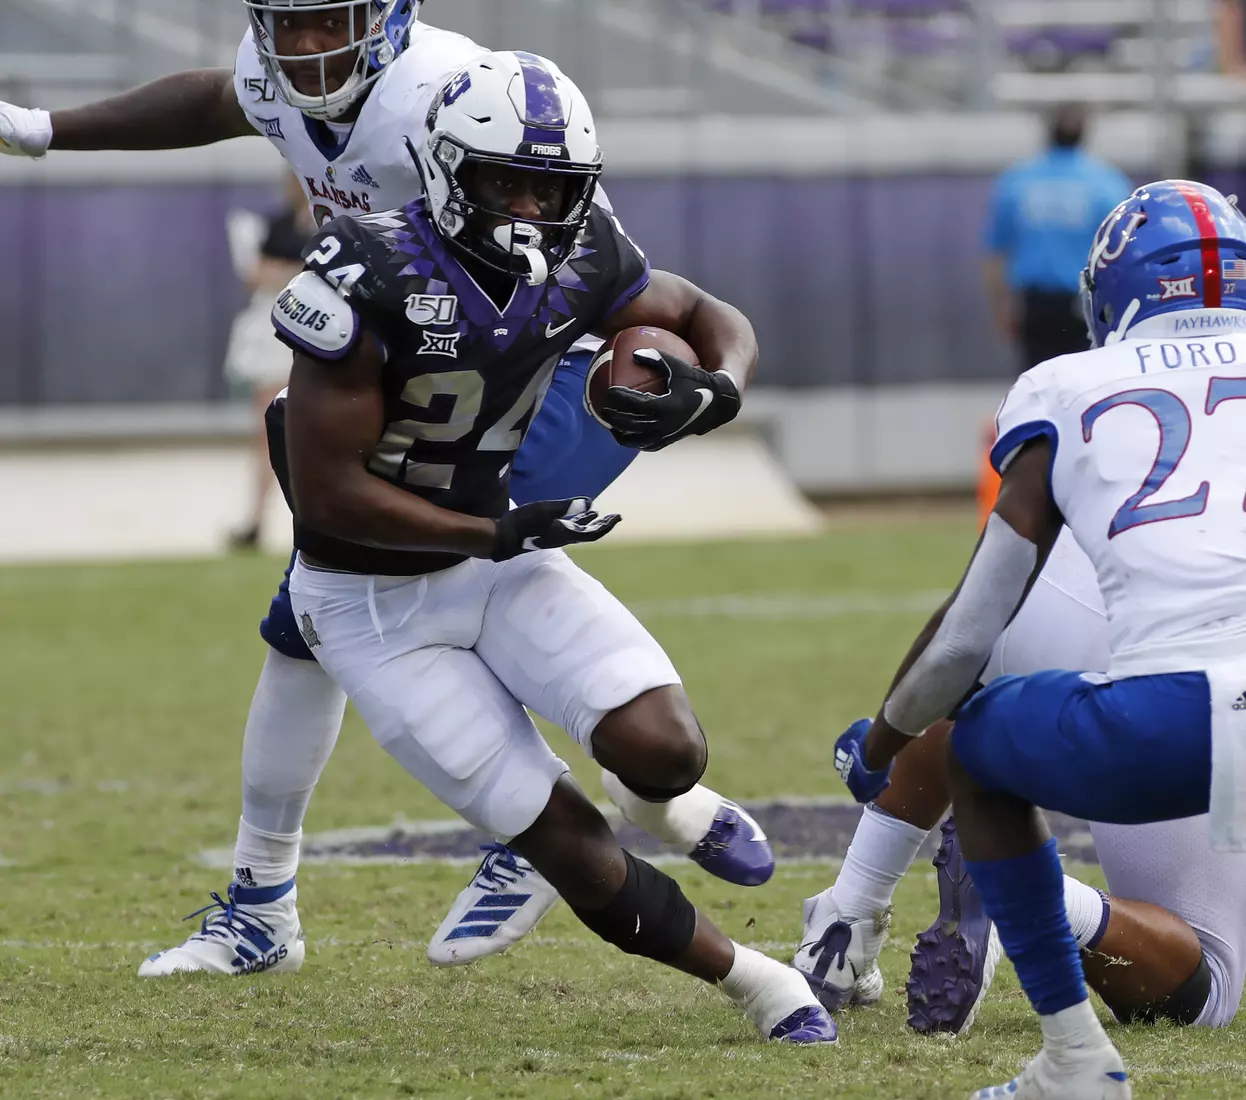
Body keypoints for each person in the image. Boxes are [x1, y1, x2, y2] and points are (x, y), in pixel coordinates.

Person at [0, 1, 773, 975]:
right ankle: (657, 803)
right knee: (312, 616)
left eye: (331, 22)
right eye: (290, 23)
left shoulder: (449, 100)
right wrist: (43, 129)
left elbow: (603, 267)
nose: (307, 47)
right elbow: (220, 99)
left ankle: (352, 882)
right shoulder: (281, 68)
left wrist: (691, 380)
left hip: (525, 396)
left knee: (343, 603)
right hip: (429, 392)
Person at [234, 50, 835, 1045]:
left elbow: (697, 314)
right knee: (568, 842)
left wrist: (721, 384)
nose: (527, 206)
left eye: (550, 187)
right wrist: (501, 527)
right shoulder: (359, 270)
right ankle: (761, 981)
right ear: (443, 168)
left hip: (495, 555)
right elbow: (334, 500)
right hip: (372, 606)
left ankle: (660, 804)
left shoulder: (583, 245)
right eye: (503, 179)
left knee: (667, 745)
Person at [833, 179, 1246, 1098]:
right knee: (1210, 975)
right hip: (1198, 694)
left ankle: (876, 920)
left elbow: (965, 638)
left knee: (979, 737)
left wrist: (881, 742)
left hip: (1163, 697)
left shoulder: (1067, 384)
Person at [976, 105, 1133, 522]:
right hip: (1086, 308)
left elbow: (994, 256)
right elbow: (1121, 258)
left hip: (1035, 304)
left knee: (1035, 402)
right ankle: (1091, 494)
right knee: (1091, 402)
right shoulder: (1105, 182)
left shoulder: (1018, 182)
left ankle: (1036, 499)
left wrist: (1002, 308)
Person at [225, 172, 317, 551]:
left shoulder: (333, 222)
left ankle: (314, 519)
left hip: (314, 334)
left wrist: (284, 274)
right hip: (277, 332)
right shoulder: (278, 224)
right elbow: (257, 274)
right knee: (268, 430)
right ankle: (258, 519)